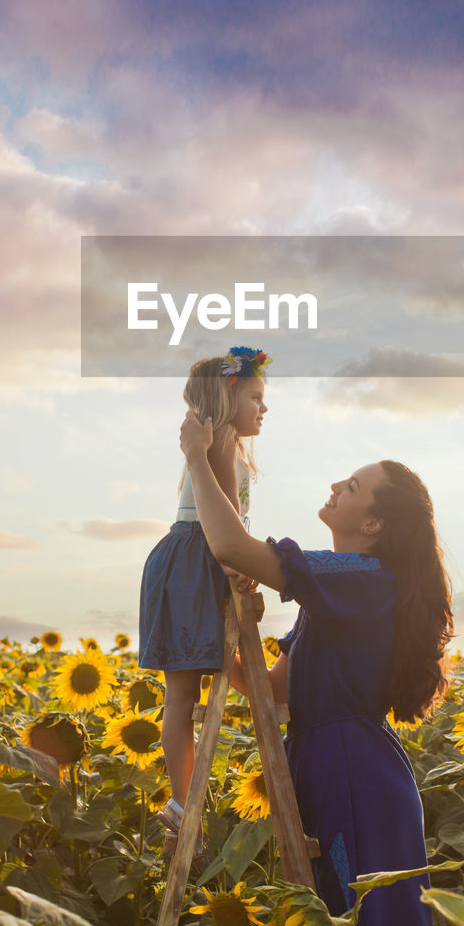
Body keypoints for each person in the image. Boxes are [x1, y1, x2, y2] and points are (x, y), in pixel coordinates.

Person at [179, 411, 452, 926]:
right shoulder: (340, 592)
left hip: (352, 770)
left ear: (373, 524)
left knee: (364, 925)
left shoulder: (363, 577)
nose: (335, 486)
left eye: (352, 486)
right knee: (344, 920)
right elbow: (277, 692)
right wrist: (218, 646)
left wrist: (197, 459)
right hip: (334, 760)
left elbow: (233, 546)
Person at [138, 347, 270, 853]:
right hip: (198, 559)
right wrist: (243, 569)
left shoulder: (224, 446)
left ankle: (182, 798)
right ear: (228, 396)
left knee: (189, 688)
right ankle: (181, 800)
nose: (264, 408)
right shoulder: (221, 447)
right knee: (184, 694)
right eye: (256, 397)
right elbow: (227, 527)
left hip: (189, 559)